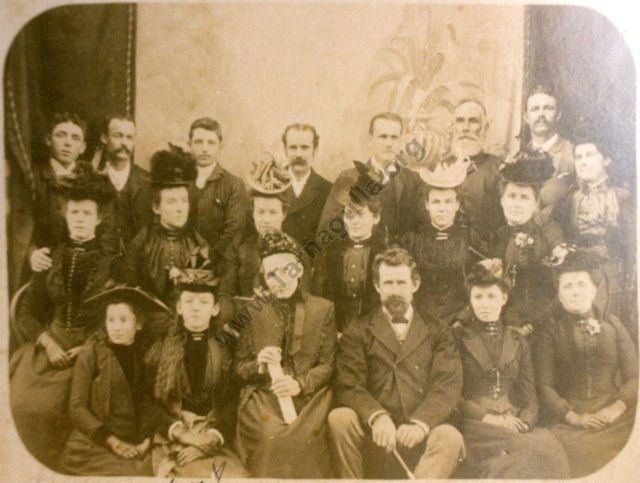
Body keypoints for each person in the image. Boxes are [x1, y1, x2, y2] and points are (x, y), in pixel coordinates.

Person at [10, 165, 117, 470]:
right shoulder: (51, 257)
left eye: (87, 214)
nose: (80, 220)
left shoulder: (112, 262)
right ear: (66, 216)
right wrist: (47, 343)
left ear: (98, 218)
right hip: (51, 346)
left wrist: (88, 347)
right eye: (75, 213)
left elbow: (117, 316)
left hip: (91, 348)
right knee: (21, 403)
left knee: (70, 408)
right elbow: (29, 313)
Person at [328, 248, 464, 479]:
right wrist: (377, 417)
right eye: (388, 283)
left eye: (401, 283)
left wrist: (420, 424)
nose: (394, 291)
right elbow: (348, 384)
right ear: (377, 286)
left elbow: (447, 384)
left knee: (450, 437)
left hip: (423, 432)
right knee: (339, 418)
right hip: (376, 433)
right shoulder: (358, 330)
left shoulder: (438, 330)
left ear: (415, 284)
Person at [453, 260, 570, 478]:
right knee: (522, 454)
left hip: (514, 421)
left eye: (492, 297)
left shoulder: (516, 339)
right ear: (470, 300)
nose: (485, 304)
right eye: (478, 297)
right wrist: (486, 417)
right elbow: (451, 393)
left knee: (549, 448)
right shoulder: (458, 339)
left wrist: (525, 421)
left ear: (504, 298)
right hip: (476, 423)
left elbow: (530, 394)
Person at [234, 231, 336, 478]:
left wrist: (299, 384)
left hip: (310, 397)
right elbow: (238, 367)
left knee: (305, 441)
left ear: (298, 270)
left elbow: (327, 366)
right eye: (270, 275)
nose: (277, 280)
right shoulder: (253, 311)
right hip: (264, 396)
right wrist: (258, 364)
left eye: (285, 271)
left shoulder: (323, 309)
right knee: (273, 439)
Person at [533, 250, 637, 477]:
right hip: (570, 421)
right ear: (559, 295)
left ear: (594, 290)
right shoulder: (550, 331)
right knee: (569, 452)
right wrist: (574, 417)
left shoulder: (614, 325)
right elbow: (544, 385)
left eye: (581, 284)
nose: (575, 292)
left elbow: (635, 376)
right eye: (567, 287)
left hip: (617, 417)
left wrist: (618, 407)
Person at [144, 255, 247, 478]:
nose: (195, 309)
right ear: (179, 307)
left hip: (211, 433)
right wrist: (181, 434)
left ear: (215, 309)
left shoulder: (225, 348)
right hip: (173, 437)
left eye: (203, 303)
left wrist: (210, 439)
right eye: (189, 302)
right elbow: (147, 402)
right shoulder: (161, 348)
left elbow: (232, 401)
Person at [59, 286, 170, 476]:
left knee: (158, 470)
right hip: (93, 445)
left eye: (123, 320)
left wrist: (146, 439)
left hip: (134, 442)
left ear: (139, 324)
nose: (116, 327)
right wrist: (112, 441)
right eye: (111, 320)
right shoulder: (91, 352)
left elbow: (147, 403)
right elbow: (77, 408)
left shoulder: (146, 355)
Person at [552, 131, 636, 336]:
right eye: (578, 157)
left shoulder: (622, 197)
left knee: (607, 328)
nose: (583, 162)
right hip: (578, 273)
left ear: (606, 159)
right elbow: (561, 232)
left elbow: (631, 245)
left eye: (589, 155)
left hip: (610, 273)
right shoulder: (570, 197)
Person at [491, 148, 569, 335]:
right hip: (505, 323)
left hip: (543, 325)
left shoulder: (549, 232)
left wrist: (534, 324)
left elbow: (561, 289)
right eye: (511, 196)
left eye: (524, 197)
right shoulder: (499, 236)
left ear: (535, 204)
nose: (516, 204)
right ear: (501, 200)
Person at [123, 146, 209, 310]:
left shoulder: (197, 243)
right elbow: (131, 287)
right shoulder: (141, 242)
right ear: (156, 207)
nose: (180, 208)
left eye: (184, 200)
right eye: (172, 201)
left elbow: (205, 287)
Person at [318, 112, 426, 243]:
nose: (389, 143)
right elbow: (328, 228)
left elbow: (422, 228)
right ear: (370, 139)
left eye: (394, 137)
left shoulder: (413, 180)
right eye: (383, 137)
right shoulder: (349, 177)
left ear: (401, 141)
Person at [403, 158, 487, 324]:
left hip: (461, 321)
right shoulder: (412, 241)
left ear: (457, 205)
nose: (442, 208)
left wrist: (462, 319)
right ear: (427, 205)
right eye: (436, 202)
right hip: (420, 320)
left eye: (448, 201)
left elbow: (483, 285)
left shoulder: (471, 238)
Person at [217, 156, 293, 327]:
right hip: (241, 324)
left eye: (273, 213)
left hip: (281, 325)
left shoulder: (295, 250)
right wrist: (229, 324)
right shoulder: (239, 247)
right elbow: (225, 292)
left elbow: (301, 299)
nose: (266, 220)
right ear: (252, 213)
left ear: (284, 214)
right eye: (260, 212)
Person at [312, 171, 386, 331]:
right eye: (349, 214)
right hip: (338, 329)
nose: (354, 222)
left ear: (376, 218)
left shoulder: (385, 253)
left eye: (360, 214)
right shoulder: (332, 252)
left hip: (374, 330)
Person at [28, 112, 90, 274]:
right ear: (48, 140)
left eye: (75, 138)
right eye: (61, 135)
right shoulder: (33, 178)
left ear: (83, 147)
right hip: (45, 264)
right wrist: (31, 253)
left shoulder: (94, 181)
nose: (68, 143)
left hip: (82, 265)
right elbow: (21, 225)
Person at [444, 99, 504, 243]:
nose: (465, 128)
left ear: (485, 127)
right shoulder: (438, 167)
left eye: (473, 121)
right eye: (460, 121)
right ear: (452, 127)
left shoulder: (500, 169)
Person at [187, 117, 247, 264]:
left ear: (220, 145)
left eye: (211, 142)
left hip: (220, 261)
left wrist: (212, 255)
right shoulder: (180, 180)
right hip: (182, 258)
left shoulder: (234, 184)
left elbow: (235, 229)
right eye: (198, 142)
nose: (204, 148)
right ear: (190, 145)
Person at [97, 114, 153, 255]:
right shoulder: (94, 179)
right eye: (118, 136)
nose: (124, 143)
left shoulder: (147, 180)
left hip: (136, 262)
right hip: (100, 260)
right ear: (104, 138)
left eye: (129, 137)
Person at [521, 85, 574, 217]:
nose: (541, 115)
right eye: (535, 109)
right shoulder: (517, 158)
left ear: (558, 115)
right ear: (526, 117)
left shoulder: (574, 153)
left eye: (548, 108)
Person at [280, 123, 332, 247]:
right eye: (293, 147)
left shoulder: (328, 190)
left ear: (315, 149)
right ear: (285, 149)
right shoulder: (269, 186)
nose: (299, 154)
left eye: (305, 147)